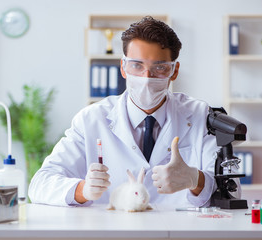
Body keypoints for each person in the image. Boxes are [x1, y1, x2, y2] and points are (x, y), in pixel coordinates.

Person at [28, 16, 240, 208]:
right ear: (123, 68)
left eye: (159, 67)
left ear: (174, 71)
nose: (147, 77)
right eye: (137, 65)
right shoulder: (91, 119)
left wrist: (196, 180)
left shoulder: (200, 115)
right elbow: (39, 185)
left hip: (178, 232)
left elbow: (234, 192)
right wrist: (82, 190)